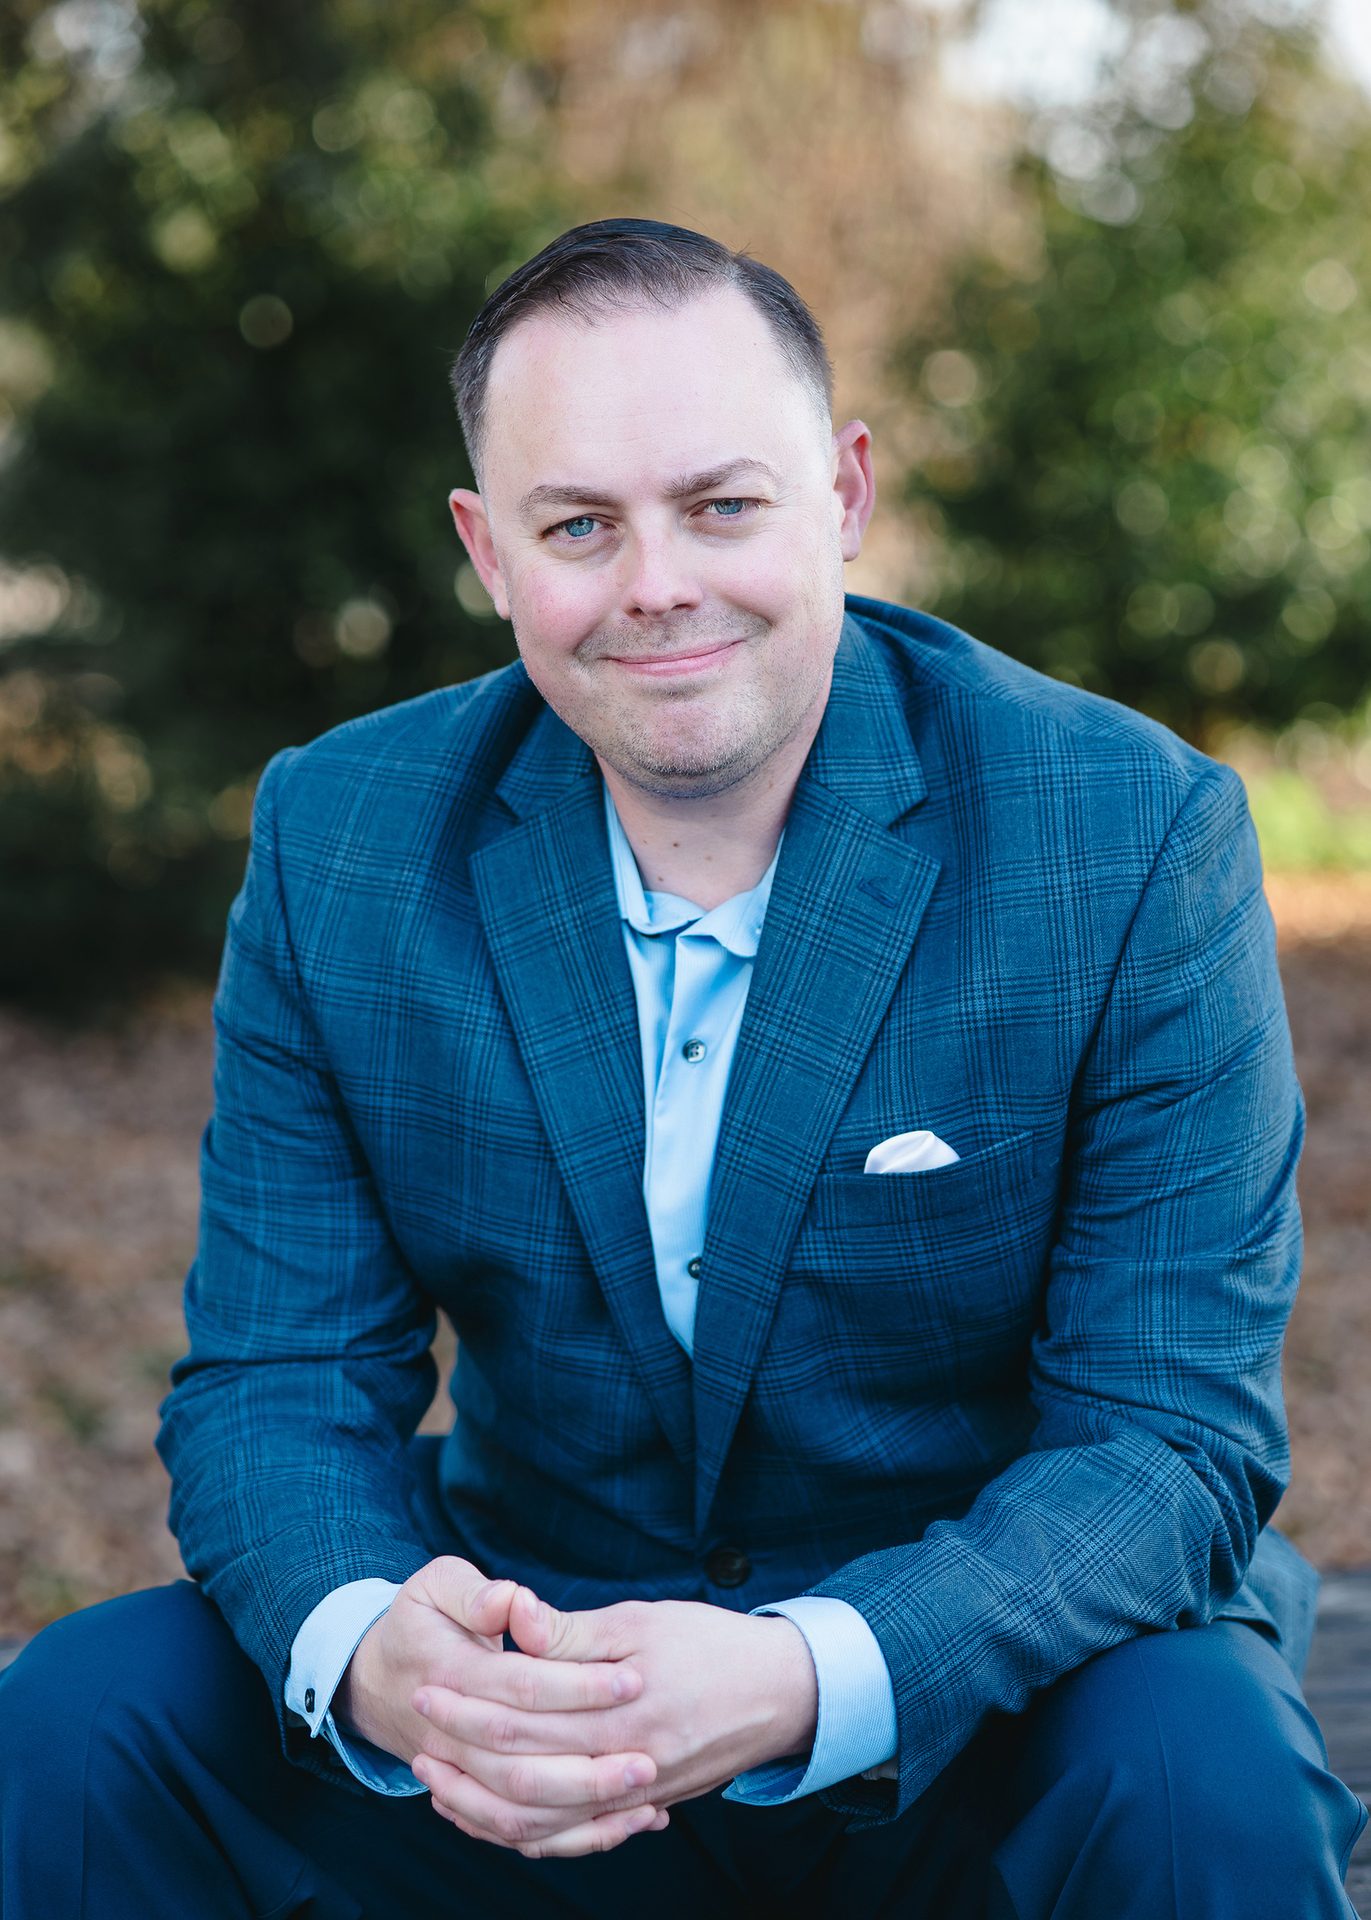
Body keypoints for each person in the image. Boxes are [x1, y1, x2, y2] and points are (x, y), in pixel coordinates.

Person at [1, 217, 1365, 1919]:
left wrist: (806, 1671)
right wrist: (379, 1651)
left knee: (1202, 1782)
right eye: (580, 525)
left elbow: (1169, 1437)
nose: (657, 582)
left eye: (723, 505)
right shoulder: (342, 839)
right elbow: (274, 1378)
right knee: (75, 1725)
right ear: (487, 551)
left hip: (979, 1698)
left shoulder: (1131, 835)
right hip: (531, 1684)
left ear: (847, 494)